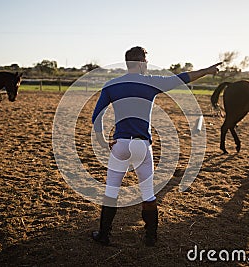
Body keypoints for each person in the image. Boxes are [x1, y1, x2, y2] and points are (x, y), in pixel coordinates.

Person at [91, 46, 221, 246]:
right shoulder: (151, 82)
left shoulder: (112, 85)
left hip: (121, 144)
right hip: (142, 145)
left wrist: (102, 141)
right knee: (148, 193)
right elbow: (183, 78)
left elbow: (96, 116)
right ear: (141, 62)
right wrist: (206, 70)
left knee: (111, 192)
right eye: (145, 60)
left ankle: (104, 234)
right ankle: (151, 237)